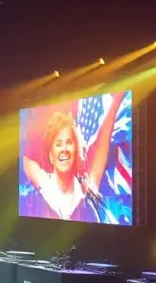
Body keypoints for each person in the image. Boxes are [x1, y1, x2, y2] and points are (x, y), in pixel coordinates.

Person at [21, 93, 124, 222]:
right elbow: (25, 159)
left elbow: (100, 144)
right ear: (51, 155)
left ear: (76, 151)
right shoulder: (44, 187)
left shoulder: (87, 190)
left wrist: (115, 102)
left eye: (69, 142)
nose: (64, 149)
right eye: (58, 144)